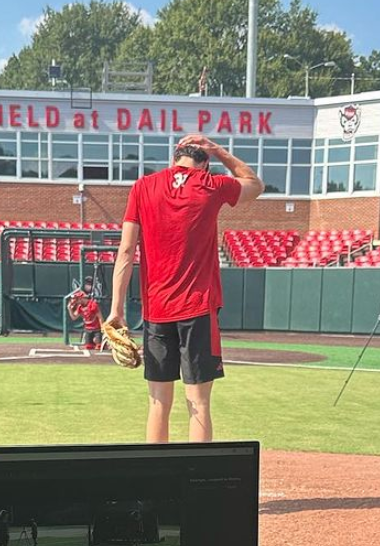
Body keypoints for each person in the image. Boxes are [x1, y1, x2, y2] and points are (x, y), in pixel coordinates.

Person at [107, 133, 263, 443]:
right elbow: (255, 184)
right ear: (205, 165)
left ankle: (154, 481)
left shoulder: (142, 187)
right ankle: (198, 484)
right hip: (197, 310)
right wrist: (219, 151)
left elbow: (126, 250)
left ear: (174, 158)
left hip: (156, 310)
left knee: (157, 403)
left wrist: (116, 309)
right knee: (199, 403)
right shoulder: (213, 185)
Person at [67, 283, 103, 351]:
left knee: (98, 345)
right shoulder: (80, 307)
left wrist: (102, 329)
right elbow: (74, 317)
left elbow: (100, 317)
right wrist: (69, 309)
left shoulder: (92, 305)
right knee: (88, 346)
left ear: (81, 298)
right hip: (88, 329)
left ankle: (103, 342)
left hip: (96, 329)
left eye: (78, 299)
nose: (77, 301)